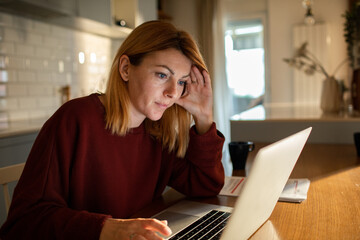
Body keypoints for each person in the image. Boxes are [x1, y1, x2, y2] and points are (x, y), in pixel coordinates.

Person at [0, 20, 225, 240]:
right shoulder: (75, 119)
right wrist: (106, 229)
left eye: (182, 82)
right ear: (126, 69)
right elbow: (24, 222)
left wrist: (204, 117)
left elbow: (205, 186)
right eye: (162, 75)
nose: (172, 93)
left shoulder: (158, 132)